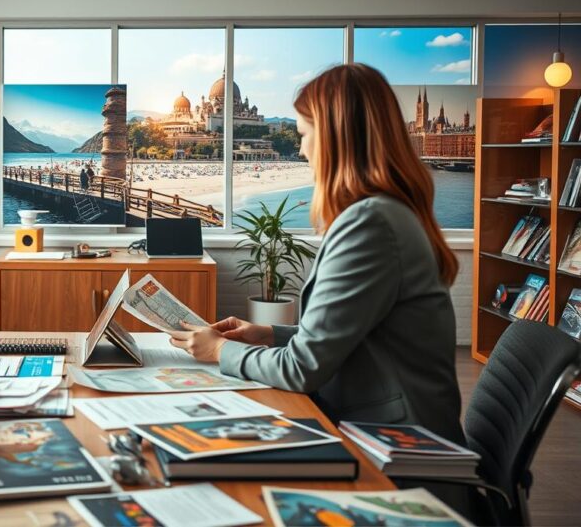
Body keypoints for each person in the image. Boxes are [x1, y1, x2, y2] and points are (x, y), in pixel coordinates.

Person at [167, 63, 464, 445]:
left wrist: (220, 349)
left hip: (393, 446)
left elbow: (301, 369)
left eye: (305, 134)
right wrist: (269, 333)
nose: (303, 149)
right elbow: (350, 335)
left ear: (336, 137)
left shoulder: (370, 223)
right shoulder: (387, 212)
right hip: (383, 424)